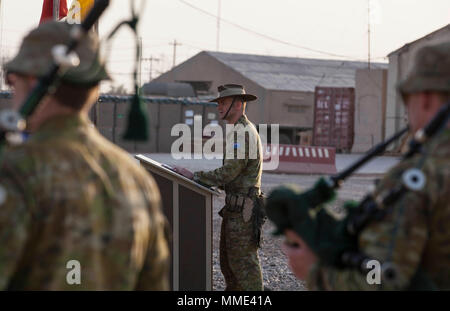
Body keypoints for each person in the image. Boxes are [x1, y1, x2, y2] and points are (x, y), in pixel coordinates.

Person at [0, 21, 170, 290]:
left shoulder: (16, 170)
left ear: (34, 81)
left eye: (12, 79)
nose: (11, 89)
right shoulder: (136, 178)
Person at [282, 42, 450, 290]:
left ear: (424, 98)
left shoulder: (419, 176)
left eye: (408, 101)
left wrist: (315, 271)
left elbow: (379, 280)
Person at [174, 84, 265, 291]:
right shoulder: (238, 131)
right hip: (236, 211)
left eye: (223, 102)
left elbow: (228, 172)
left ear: (239, 104)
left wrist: (194, 176)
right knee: (230, 267)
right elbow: (232, 176)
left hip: (243, 213)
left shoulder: (243, 133)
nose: (219, 107)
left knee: (244, 268)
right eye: (219, 103)